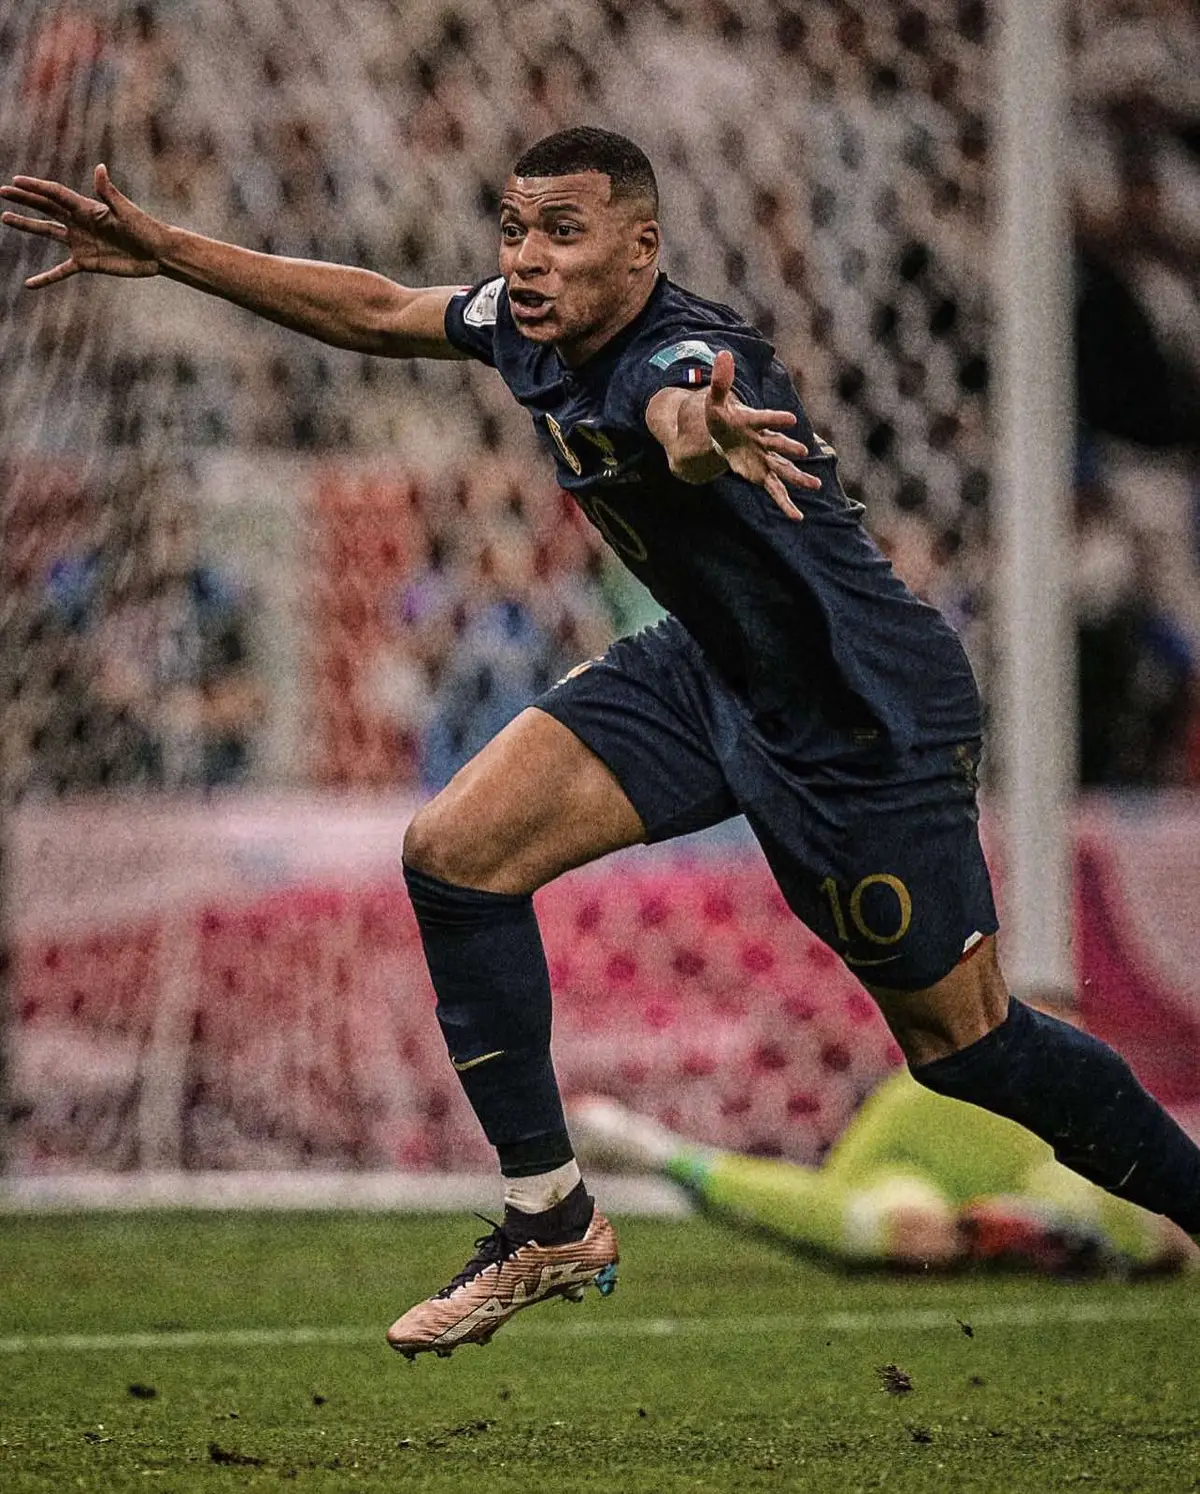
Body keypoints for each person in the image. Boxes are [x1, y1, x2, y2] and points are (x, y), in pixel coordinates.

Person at [4, 127, 1199, 1364]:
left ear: (641, 247)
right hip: (706, 672)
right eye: (516, 228)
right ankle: (549, 1217)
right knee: (456, 851)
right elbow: (376, 309)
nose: (527, 259)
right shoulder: (526, 325)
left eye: (562, 234)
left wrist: (703, 431)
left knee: (967, 1048)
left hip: (857, 721)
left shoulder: (685, 354)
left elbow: (680, 405)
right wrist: (169, 249)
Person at [568, 1082, 1199, 1278]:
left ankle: (661, 1153)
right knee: (901, 1228)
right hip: (921, 1134)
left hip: (1037, 1147)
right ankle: (662, 1153)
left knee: (1154, 1236)